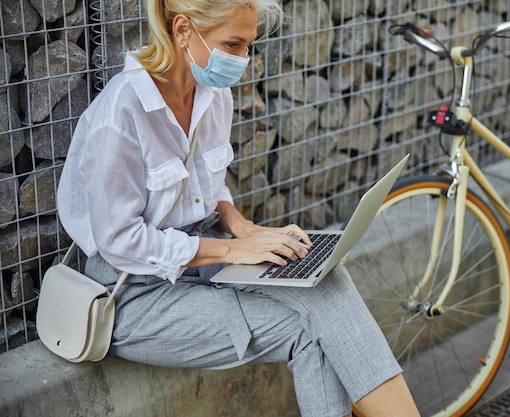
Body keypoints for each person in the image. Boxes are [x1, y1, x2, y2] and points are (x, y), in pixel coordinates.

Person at [56, 1, 421, 416]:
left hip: (203, 259)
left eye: (248, 45)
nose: (242, 60)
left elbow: (206, 184)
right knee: (313, 329)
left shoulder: (213, 94)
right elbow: (120, 241)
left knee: (328, 279)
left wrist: (241, 226)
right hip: (134, 292)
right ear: (182, 30)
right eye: (233, 44)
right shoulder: (120, 114)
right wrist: (233, 250)